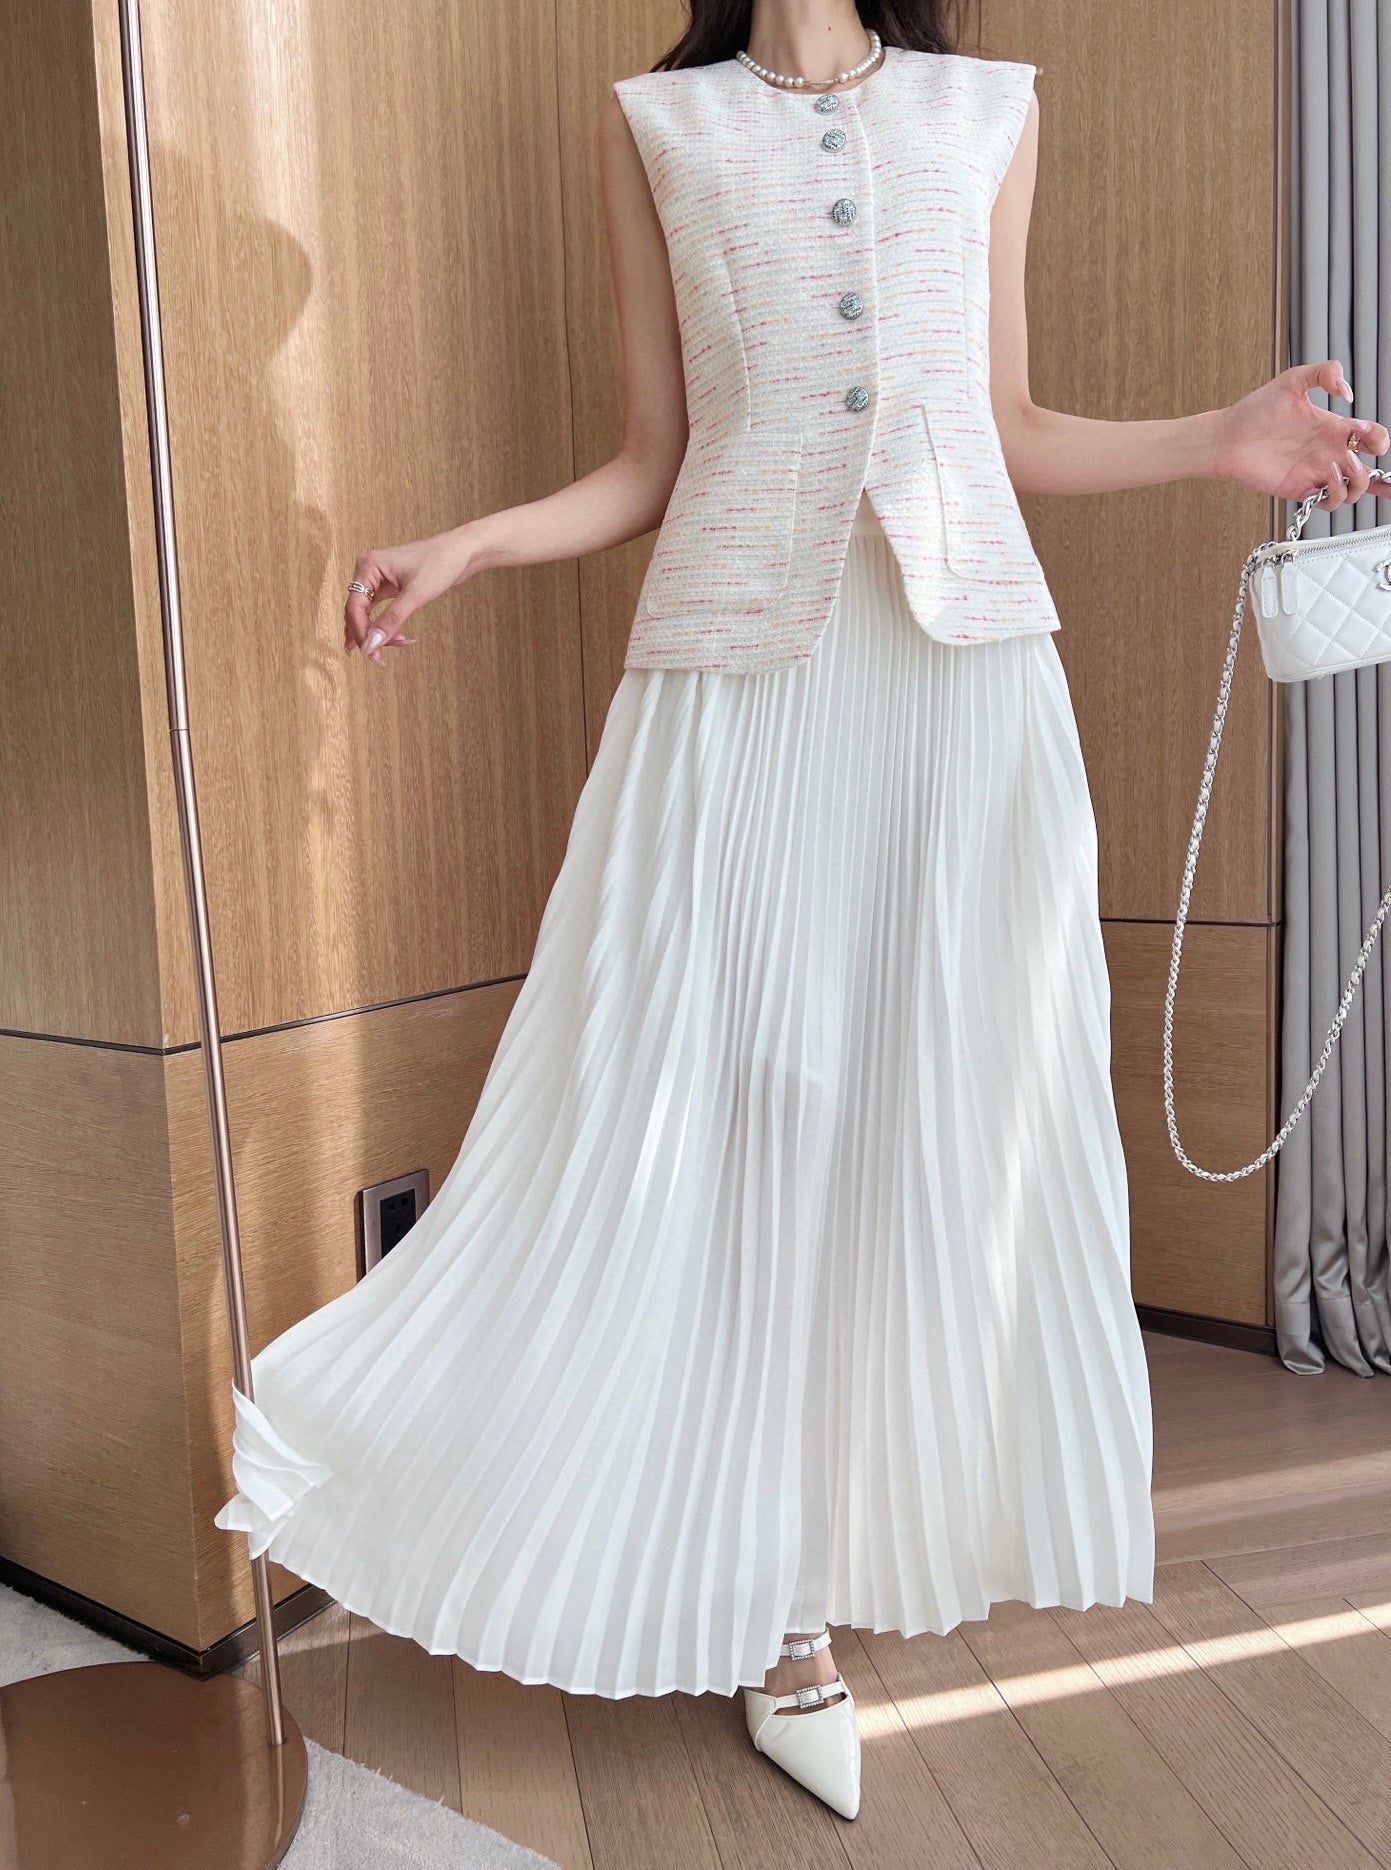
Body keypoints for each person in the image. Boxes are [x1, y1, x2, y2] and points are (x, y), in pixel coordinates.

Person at [218, 0, 1388, 1824]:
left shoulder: (986, 110)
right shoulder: (659, 125)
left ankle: (835, 1558)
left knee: (942, 1117)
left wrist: (1217, 441)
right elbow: (655, 456)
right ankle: (771, 1603)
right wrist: (472, 544)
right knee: (741, 1100)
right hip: (733, 677)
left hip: (962, 682)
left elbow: (1006, 424)